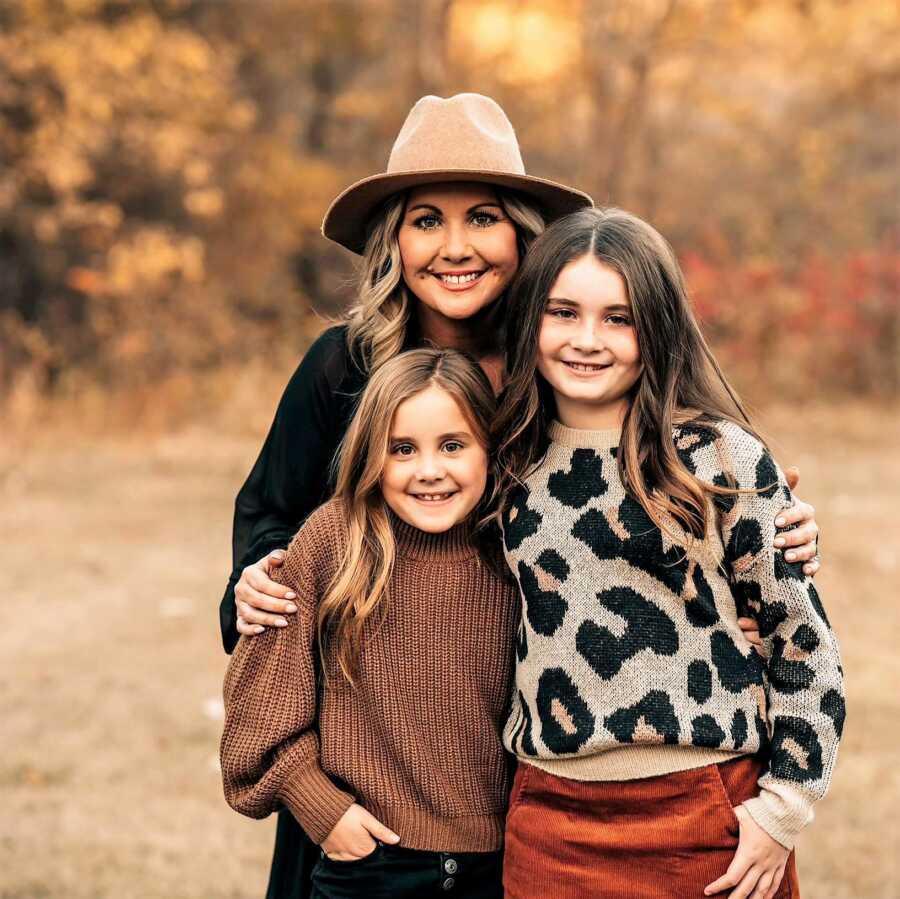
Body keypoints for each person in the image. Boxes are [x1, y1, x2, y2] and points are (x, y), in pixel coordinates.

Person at [220, 94, 822, 898]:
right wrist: (256, 576)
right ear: (394, 240)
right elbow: (271, 512)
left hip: (525, 773)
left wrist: (770, 543)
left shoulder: (554, 369)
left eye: (485, 219)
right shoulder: (344, 367)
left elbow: (651, 501)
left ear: (522, 238)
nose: (455, 245)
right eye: (426, 220)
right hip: (372, 773)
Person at [493, 208, 845, 899]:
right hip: (550, 821)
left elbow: (803, 645)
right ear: (530, 318)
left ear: (656, 327)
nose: (587, 340)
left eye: (618, 319)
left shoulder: (719, 457)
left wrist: (781, 813)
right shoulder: (504, 462)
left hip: (705, 809)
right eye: (563, 312)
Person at [221, 348, 519, 899]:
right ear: (371, 455)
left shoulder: (515, 549)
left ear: (490, 449)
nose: (429, 471)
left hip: (496, 867)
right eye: (402, 450)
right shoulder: (335, 541)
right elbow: (256, 716)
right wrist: (322, 809)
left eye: (452, 446)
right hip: (368, 865)